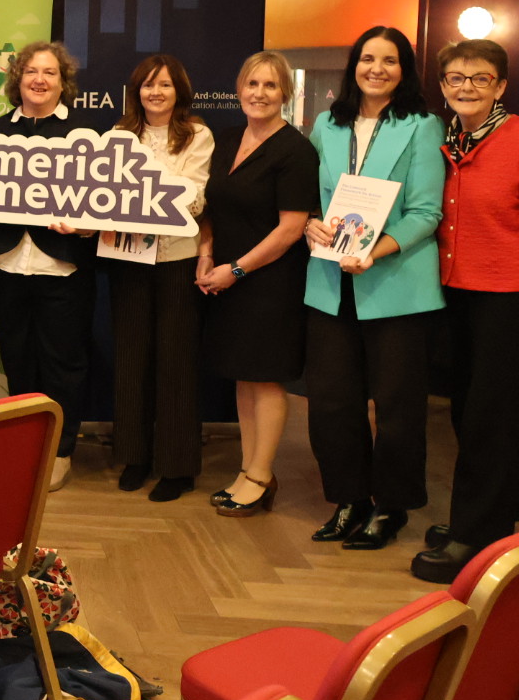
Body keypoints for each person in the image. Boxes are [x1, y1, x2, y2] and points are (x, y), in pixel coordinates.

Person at [412, 39, 519, 582]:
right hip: (457, 296)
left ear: (501, 85)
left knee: (489, 420)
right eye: (455, 78)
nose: (466, 87)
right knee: (468, 413)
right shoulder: (447, 140)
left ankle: (473, 538)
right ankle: (494, 518)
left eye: (479, 79)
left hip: (511, 304)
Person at [302, 27, 444, 551]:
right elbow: (309, 194)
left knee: (398, 406)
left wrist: (375, 250)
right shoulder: (326, 123)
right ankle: (350, 499)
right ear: (353, 66)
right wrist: (311, 223)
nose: (376, 69)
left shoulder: (424, 126)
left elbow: (428, 212)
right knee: (332, 404)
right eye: (367, 58)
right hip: (329, 283)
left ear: (404, 69)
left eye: (389, 60)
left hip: (396, 285)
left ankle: (392, 506)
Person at [197, 50, 317, 517]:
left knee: (264, 379)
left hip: (270, 283)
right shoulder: (227, 140)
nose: (259, 94)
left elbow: (290, 229)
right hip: (227, 277)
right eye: (252, 84)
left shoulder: (296, 151)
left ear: (285, 93)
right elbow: (211, 207)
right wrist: (208, 255)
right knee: (244, 377)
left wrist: (236, 270)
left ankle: (261, 475)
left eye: (270, 86)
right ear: (239, 89)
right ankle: (249, 469)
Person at [0, 41, 96, 489]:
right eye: (30, 72)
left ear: (63, 82)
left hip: (62, 267)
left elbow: (104, 209)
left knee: (64, 364)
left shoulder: (88, 135)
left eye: (50, 73)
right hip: (7, 263)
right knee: (18, 362)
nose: (39, 80)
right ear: (17, 79)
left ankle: (60, 451)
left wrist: (85, 226)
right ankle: (24, 448)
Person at [107, 54, 214, 502]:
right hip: (127, 258)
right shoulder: (116, 135)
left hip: (177, 260)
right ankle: (134, 457)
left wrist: (139, 195)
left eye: (165, 85)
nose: (156, 92)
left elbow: (193, 200)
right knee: (131, 358)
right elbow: (105, 194)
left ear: (179, 92)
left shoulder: (197, 135)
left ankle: (177, 466)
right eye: (148, 85)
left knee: (176, 362)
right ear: (137, 91)